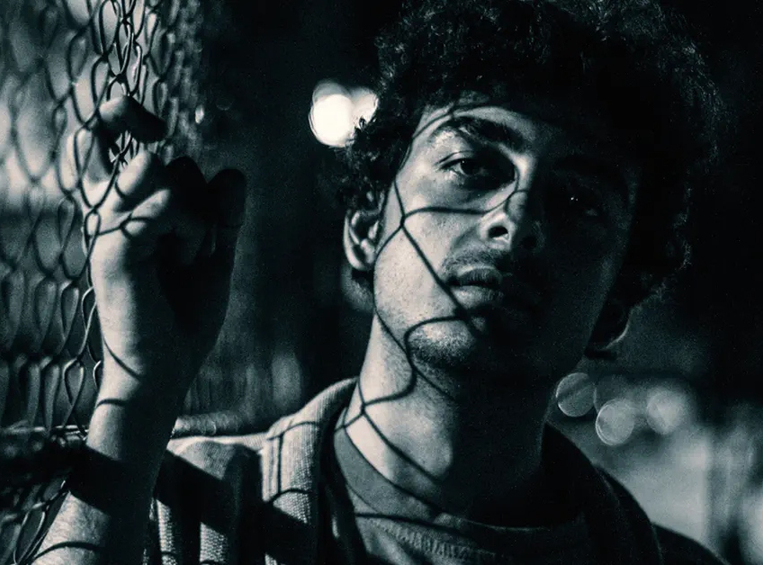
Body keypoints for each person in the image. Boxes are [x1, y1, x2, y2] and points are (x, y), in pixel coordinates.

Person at [37, 0, 726, 563]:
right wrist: (137, 391)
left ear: (615, 307)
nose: (516, 222)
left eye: (579, 202)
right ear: (366, 228)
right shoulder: (182, 510)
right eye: (471, 165)